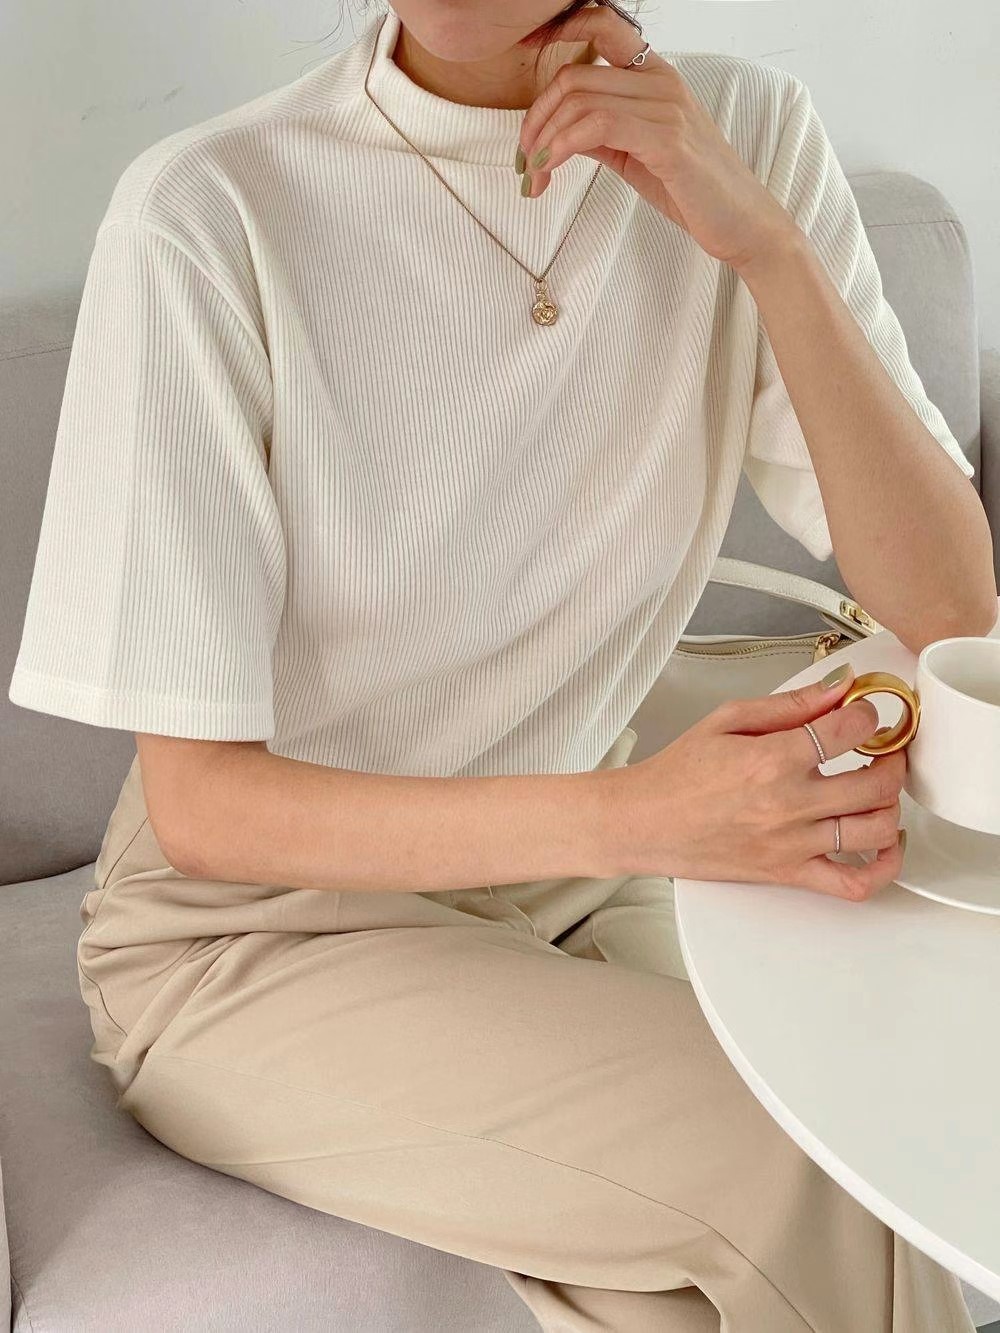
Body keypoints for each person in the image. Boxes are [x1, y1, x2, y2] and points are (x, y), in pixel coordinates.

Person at [8, 1, 985, 1327]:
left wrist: (766, 248)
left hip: (571, 887)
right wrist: (646, 816)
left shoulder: (746, 134)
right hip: (248, 938)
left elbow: (948, 607)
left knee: (859, 1136)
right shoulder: (207, 213)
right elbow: (204, 810)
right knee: (814, 1171)